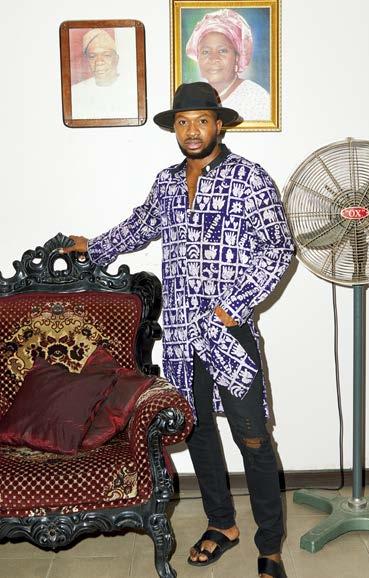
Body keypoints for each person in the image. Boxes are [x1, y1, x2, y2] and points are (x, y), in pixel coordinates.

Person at [61, 82, 294, 578]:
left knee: (253, 437)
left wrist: (236, 306)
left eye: (201, 121)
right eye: (183, 122)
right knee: (199, 431)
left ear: (219, 125)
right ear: (175, 129)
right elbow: (139, 225)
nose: (192, 131)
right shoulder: (166, 182)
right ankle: (222, 524)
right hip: (183, 335)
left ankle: (270, 545)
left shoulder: (250, 179)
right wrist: (92, 246)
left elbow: (278, 250)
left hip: (228, 334)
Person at [185, 9, 270, 121]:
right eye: (205, 52)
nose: (213, 58)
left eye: (222, 51)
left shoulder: (257, 99)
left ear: (237, 57)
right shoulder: (193, 98)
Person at [71, 28, 138, 120]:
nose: (99, 62)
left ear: (116, 59)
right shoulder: (76, 92)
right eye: (92, 56)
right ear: (87, 61)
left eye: (106, 55)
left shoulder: (132, 87)